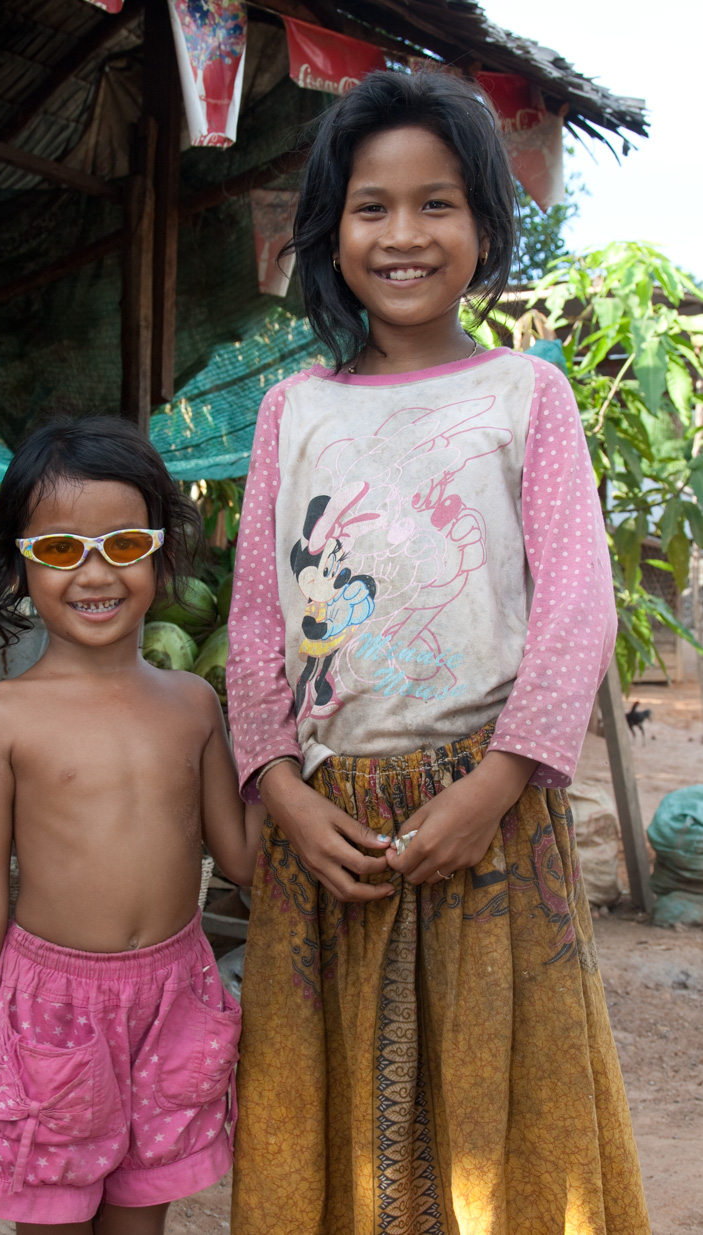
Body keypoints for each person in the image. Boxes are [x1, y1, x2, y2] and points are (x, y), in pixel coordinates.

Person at [226, 70, 650, 1235]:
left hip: (488, 814)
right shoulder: (291, 412)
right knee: (335, 1120)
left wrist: (498, 780)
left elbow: (577, 605)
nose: (403, 234)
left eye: (438, 203)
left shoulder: (525, 395)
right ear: (330, 229)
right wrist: (278, 787)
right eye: (372, 206)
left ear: (484, 227)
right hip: (330, 824)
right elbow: (257, 617)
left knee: (505, 1116)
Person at [0, 417, 263, 1235]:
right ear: (20, 563)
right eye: (59, 549)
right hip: (51, 1012)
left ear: (160, 552)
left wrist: (295, 746)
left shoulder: (193, 703)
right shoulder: (1, 717)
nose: (94, 572)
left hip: (175, 998)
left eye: (124, 544)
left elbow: (243, 857)